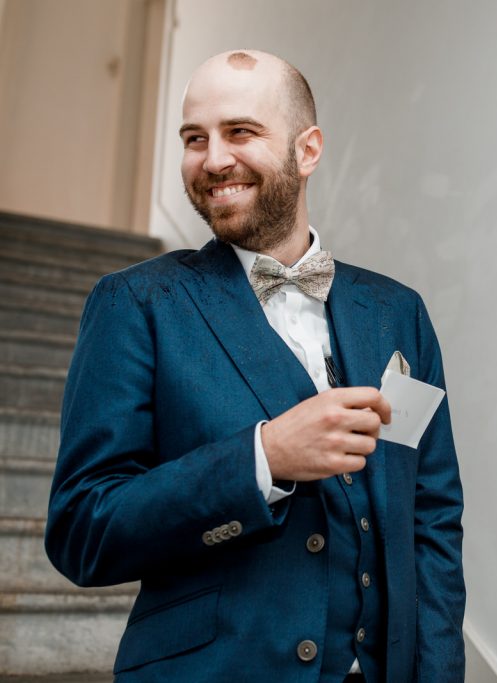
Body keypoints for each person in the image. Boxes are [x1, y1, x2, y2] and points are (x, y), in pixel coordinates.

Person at [45, 50, 465, 682]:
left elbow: (431, 520)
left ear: (308, 150)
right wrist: (262, 459)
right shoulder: (134, 303)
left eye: (240, 132)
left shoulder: (398, 313)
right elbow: (83, 529)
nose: (213, 159)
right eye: (194, 138)